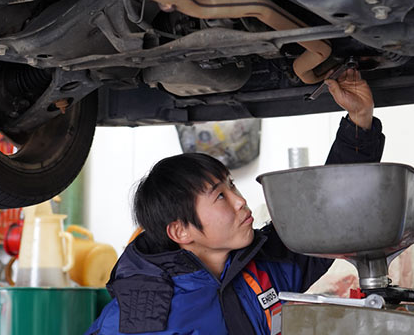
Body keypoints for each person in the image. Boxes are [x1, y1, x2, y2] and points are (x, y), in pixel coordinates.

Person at [85, 69, 385, 335]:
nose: (241, 201)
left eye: (232, 186)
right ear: (180, 231)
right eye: (220, 196)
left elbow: (325, 221)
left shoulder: (262, 264)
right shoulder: (143, 318)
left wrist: (359, 122)